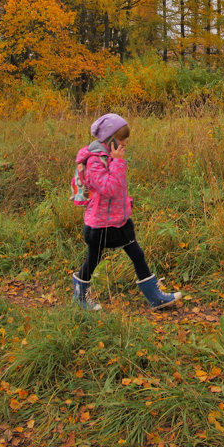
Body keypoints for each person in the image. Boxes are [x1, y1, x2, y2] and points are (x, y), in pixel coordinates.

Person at [70, 113, 183, 311]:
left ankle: (155, 297)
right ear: (110, 139)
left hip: (117, 220)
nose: (125, 143)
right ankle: (80, 297)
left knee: (135, 255)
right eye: (122, 139)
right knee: (94, 259)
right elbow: (109, 189)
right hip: (102, 224)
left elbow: (118, 189)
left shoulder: (107, 158)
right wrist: (118, 161)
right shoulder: (96, 161)